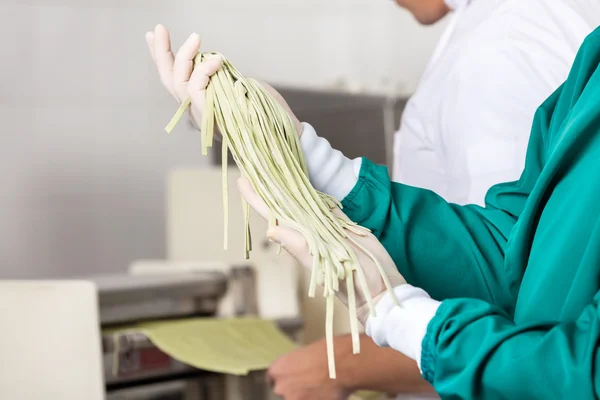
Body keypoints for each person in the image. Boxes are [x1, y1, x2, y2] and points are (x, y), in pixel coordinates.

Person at [146, 1, 600, 398]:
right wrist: (298, 151)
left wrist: (399, 318)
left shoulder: (509, 40)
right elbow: (516, 249)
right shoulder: (587, 61)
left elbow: (580, 370)